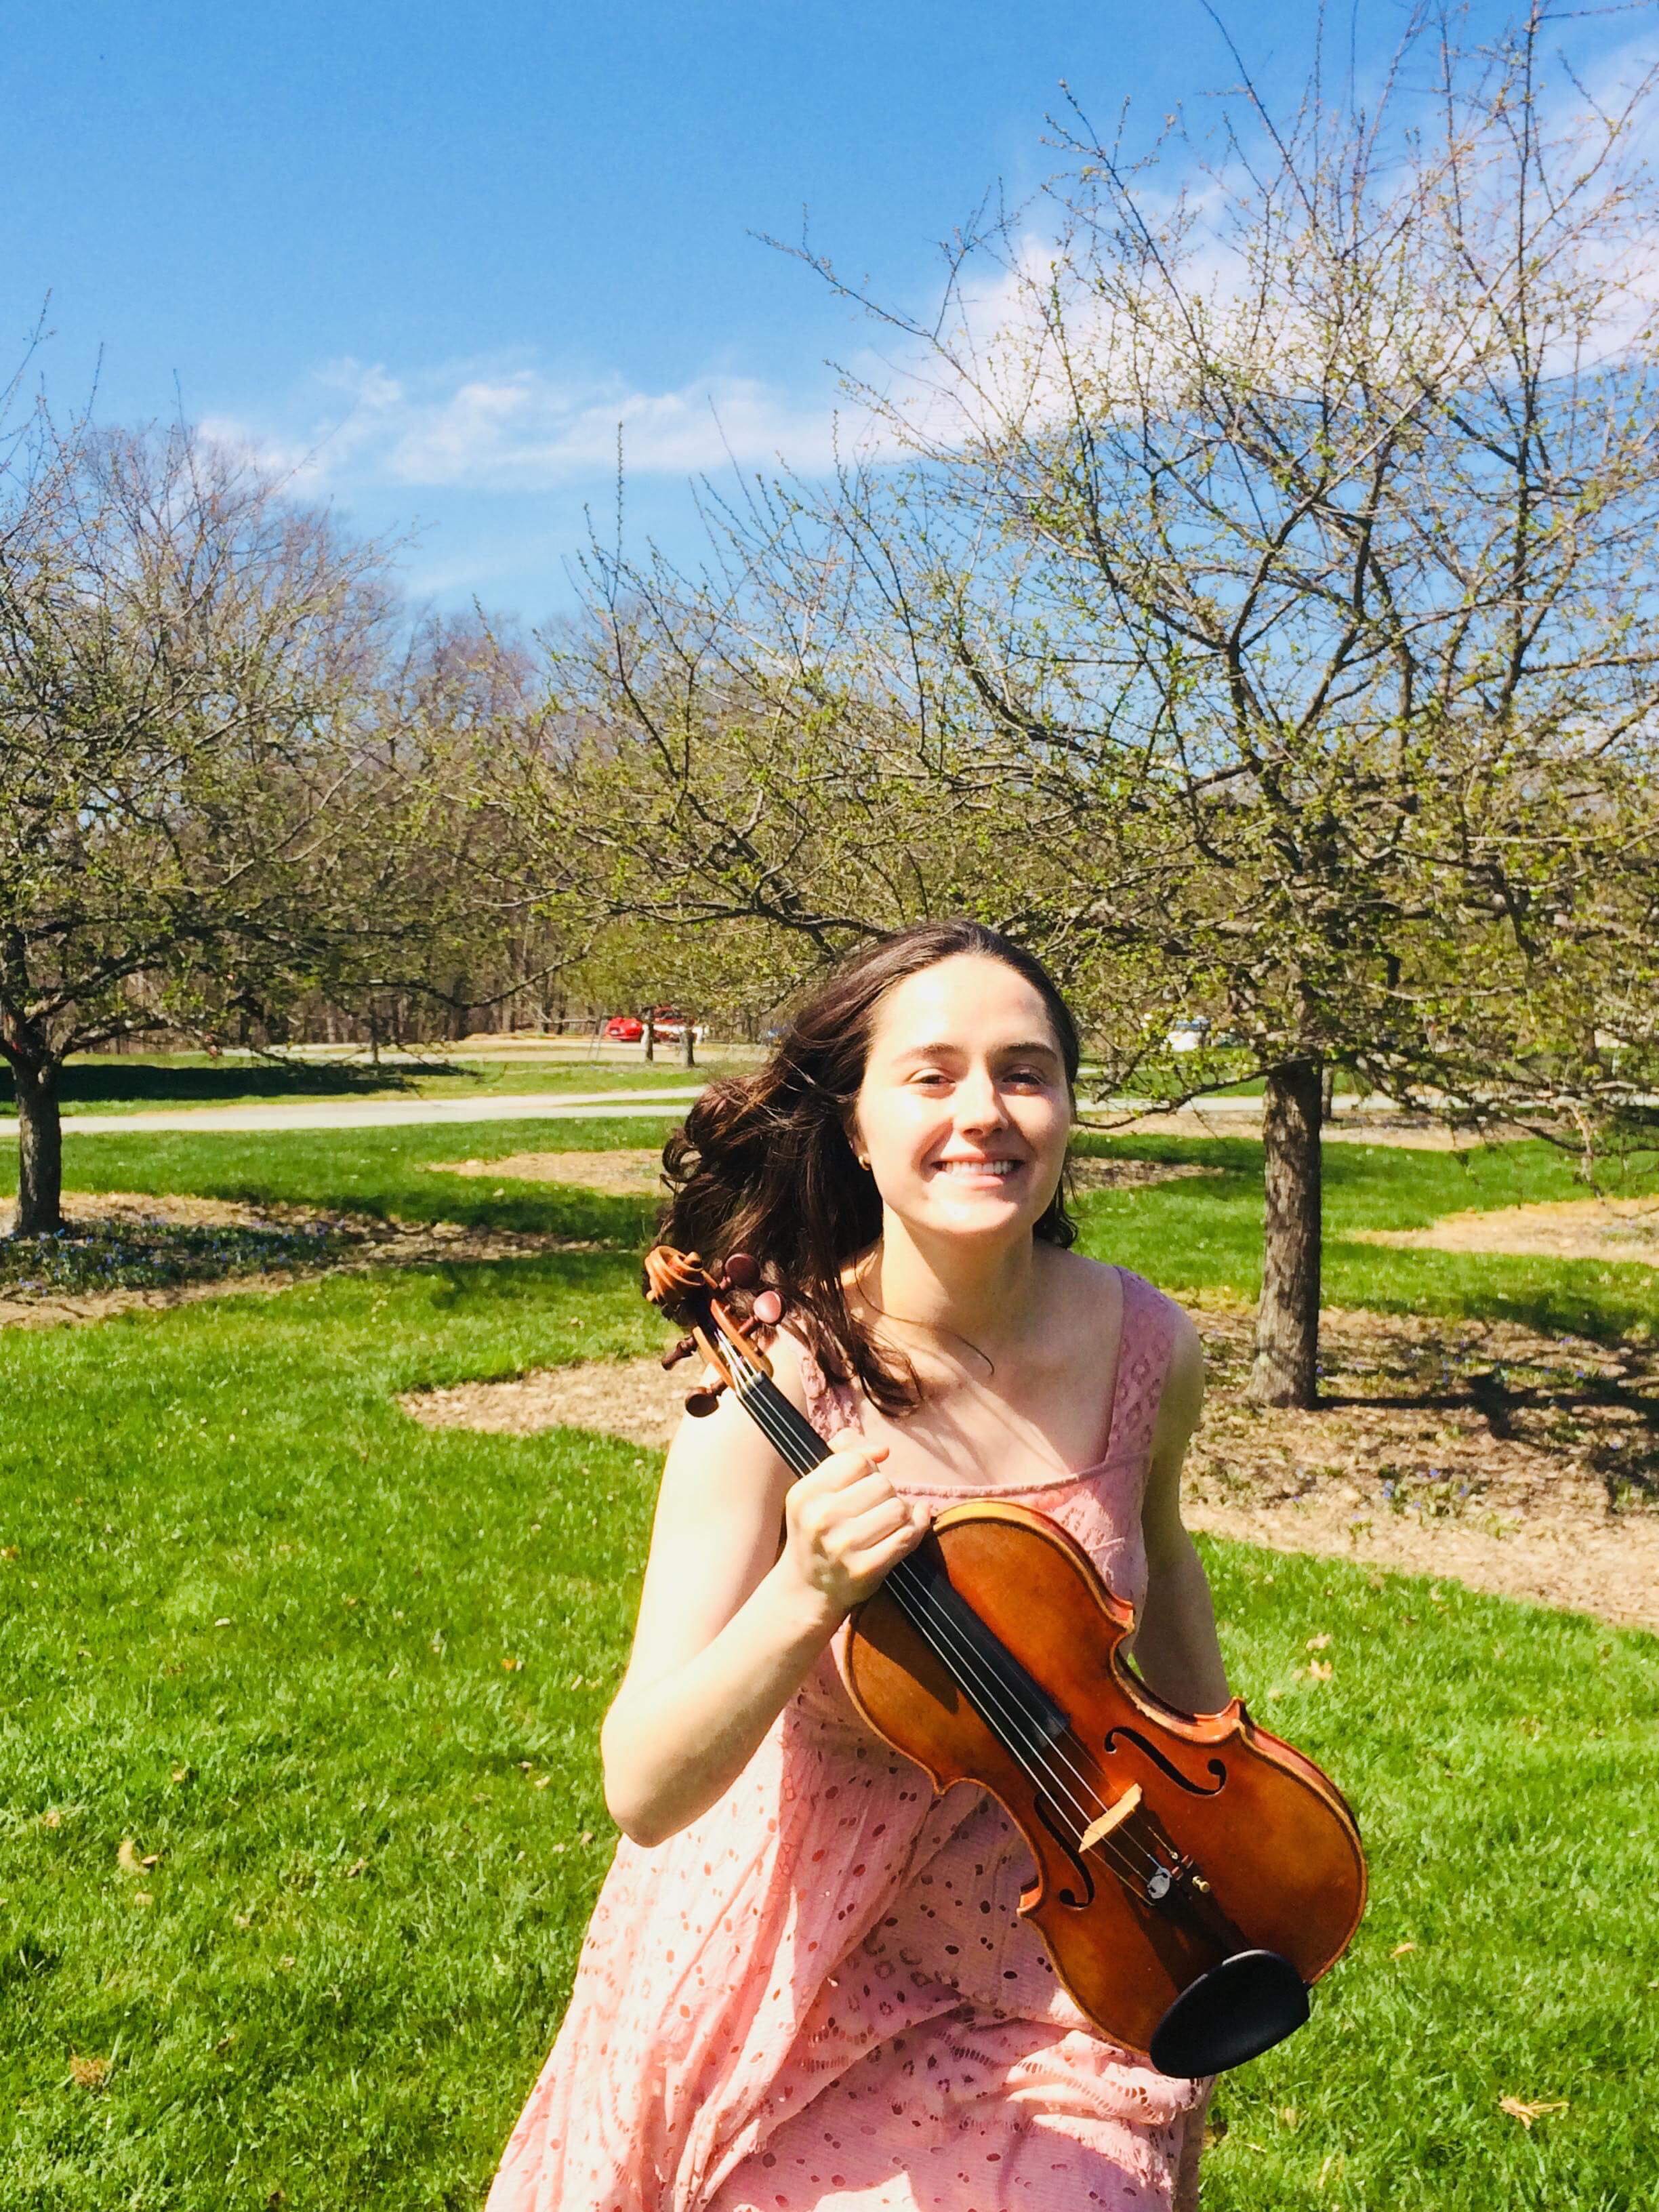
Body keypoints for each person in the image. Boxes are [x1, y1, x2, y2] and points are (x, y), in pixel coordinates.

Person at [487, 919, 1229, 2212]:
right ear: (855, 1124)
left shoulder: (1147, 1348)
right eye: (932, 1075)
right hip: (790, 1959)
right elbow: (644, 1786)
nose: (985, 1113)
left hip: (1063, 1956)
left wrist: (1235, 1815)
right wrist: (802, 1595)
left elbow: (1164, 1601)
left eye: (1027, 1071)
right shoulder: (772, 1381)